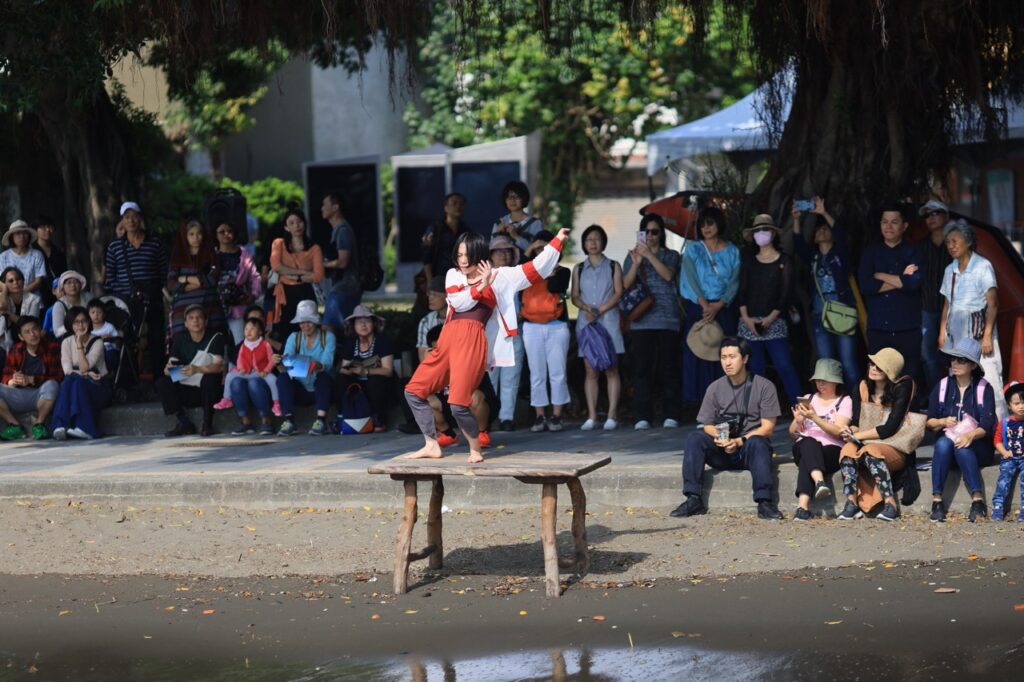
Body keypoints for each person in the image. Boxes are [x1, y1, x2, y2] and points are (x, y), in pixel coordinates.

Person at [404, 227, 569, 464]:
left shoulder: (501, 276)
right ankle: (431, 443)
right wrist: (481, 286)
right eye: (459, 255)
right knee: (413, 391)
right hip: (448, 337)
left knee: (458, 403)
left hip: (472, 340)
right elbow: (458, 302)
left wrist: (557, 241)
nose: (462, 260)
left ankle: (475, 449)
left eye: (466, 255)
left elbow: (534, 270)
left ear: (479, 255)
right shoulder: (453, 275)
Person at [672, 336, 783, 519]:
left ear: (745, 358)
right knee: (695, 438)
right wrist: (720, 438)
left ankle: (764, 502)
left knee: (758, 442)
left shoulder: (764, 386)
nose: (727, 362)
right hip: (723, 449)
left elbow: (768, 428)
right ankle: (693, 499)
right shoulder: (715, 388)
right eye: (723, 357)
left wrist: (739, 441)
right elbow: (707, 424)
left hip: (749, 450)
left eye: (732, 357)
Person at [938, 218, 1006, 420]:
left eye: (955, 241)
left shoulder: (983, 266)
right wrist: (942, 331)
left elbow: (993, 304)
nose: (951, 246)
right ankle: (962, 423)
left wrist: (987, 336)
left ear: (967, 242)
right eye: (948, 242)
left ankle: (997, 430)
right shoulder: (949, 269)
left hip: (978, 331)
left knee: (990, 379)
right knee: (958, 378)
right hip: (956, 332)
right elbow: (947, 304)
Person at [836, 348, 914, 522]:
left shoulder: (902, 388)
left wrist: (860, 435)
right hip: (864, 442)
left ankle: (890, 504)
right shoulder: (862, 386)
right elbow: (856, 420)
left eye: (879, 367)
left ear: (889, 371)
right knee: (847, 449)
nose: (873, 368)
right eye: (872, 363)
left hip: (893, 445)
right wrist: (851, 431)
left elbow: (890, 427)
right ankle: (851, 503)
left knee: (870, 450)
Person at [924, 338, 995, 523]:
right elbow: (929, 421)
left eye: (961, 360)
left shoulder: (983, 388)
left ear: (973, 365)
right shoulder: (942, 386)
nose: (955, 363)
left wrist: (970, 434)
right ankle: (937, 501)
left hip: (977, 449)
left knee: (962, 447)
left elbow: (988, 424)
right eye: (953, 359)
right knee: (942, 443)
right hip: (947, 449)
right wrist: (941, 421)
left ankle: (977, 501)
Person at [791, 198, 859, 387]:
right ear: (813, 238)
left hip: (842, 313)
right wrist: (796, 219)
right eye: (818, 230)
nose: (822, 231)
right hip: (819, 315)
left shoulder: (840, 254)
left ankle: (858, 405)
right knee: (826, 364)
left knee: (848, 362)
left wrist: (823, 212)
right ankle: (832, 405)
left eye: (825, 229)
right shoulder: (813, 257)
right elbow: (798, 245)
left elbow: (842, 235)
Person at [623, 214, 681, 430]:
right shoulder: (633, 256)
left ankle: (671, 414)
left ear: (661, 233)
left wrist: (649, 255)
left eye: (655, 231)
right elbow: (625, 284)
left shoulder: (671, 255)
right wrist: (636, 263)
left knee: (669, 369)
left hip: (668, 319)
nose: (650, 236)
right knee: (641, 370)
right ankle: (642, 416)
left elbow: (668, 275)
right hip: (641, 321)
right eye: (646, 232)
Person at [736, 213, 802, 405]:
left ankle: (800, 411)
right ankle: (760, 414)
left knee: (784, 366)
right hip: (749, 323)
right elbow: (742, 291)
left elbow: (786, 293)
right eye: (757, 231)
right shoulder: (748, 261)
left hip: (775, 321)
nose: (761, 234)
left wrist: (770, 318)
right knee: (756, 369)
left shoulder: (785, 260)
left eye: (765, 230)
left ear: (773, 233)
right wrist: (746, 318)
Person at [678, 207, 740, 405]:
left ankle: (727, 405)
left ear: (718, 224)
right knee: (698, 355)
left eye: (710, 223)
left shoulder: (732, 250)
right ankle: (704, 407)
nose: (706, 228)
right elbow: (689, 277)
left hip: (724, 308)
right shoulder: (693, 249)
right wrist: (705, 304)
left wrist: (719, 304)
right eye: (703, 224)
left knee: (726, 355)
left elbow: (735, 281)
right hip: (699, 308)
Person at [857, 204, 922, 383]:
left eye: (894, 222)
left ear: (905, 226)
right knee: (876, 379)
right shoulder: (870, 253)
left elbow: (913, 283)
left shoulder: (914, 251)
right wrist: (900, 278)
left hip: (908, 327)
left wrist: (879, 276)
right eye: (884, 222)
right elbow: (866, 286)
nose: (888, 226)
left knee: (908, 379)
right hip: (879, 328)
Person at [102, 201, 169, 376]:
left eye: (134, 216)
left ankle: (159, 380)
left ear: (140, 219)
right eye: (126, 217)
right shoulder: (114, 246)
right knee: (128, 341)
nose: (131, 221)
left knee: (157, 340)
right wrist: (127, 292)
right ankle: (130, 381)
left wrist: (153, 288)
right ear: (122, 221)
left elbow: (164, 271)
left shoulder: (155, 243)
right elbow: (110, 278)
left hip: (152, 298)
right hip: (127, 301)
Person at [571, 224, 624, 430]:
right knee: (590, 370)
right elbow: (574, 295)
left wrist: (600, 309)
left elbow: (618, 292)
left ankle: (612, 415)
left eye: (597, 239)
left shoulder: (613, 265)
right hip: (587, 324)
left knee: (612, 369)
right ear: (584, 244)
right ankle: (592, 416)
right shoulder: (579, 268)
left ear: (603, 242)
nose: (593, 243)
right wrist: (585, 307)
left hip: (609, 321)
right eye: (589, 239)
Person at [788, 358, 853, 520]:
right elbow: (791, 433)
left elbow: (839, 431)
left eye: (825, 381)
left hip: (831, 450)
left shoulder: (844, 401)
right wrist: (798, 421)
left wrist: (815, 418)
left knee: (807, 459)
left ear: (835, 382)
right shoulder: (808, 398)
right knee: (808, 443)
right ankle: (819, 482)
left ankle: (802, 508)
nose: (820, 385)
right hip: (806, 445)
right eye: (818, 381)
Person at [521, 231, 571, 432]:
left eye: (546, 247)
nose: (542, 251)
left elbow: (554, 287)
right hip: (531, 326)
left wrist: (548, 267)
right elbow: (518, 269)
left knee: (558, 372)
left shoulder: (562, 271)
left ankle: (557, 415)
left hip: (556, 326)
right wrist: (532, 249)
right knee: (537, 373)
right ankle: (539, 416)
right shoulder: (527, 271)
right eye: (539, 248)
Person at [156, 304, 226, 437]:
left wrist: (197, 369)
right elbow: (169, 369)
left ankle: (207, 424)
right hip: (187, 388)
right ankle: (184, 422)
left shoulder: (216, 337)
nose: (195, 321)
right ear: (186, 323)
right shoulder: (180, 339)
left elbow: (218, 367)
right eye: (191, 318)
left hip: (208, 391)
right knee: (162, 382)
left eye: (199, 317)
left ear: (205, 322)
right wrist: (172, 370)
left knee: (210, 379)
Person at [423, 324, 494, 448]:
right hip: (448, 405)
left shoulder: (469, 356)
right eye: (436, 350)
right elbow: (424, 387)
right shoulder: (434, 361)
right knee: (422, 399)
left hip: (474, 406)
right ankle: (447, 434)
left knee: (475, 396)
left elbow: (481, 393)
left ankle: (481, 433)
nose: (440, 353)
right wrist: (428, 365)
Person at [276, 300, 336, 436]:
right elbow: (287, 362)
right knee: (283, 378)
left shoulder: (328, 337)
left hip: (323, 391)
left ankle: (321, 420)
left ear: (316, 322)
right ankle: (289, 420)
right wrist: (279, 362)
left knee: (324, 377)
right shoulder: (293, 337)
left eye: (309, 321)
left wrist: (316, 365)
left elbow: (327, 363)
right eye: (302, 322)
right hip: (300, 390)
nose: (305, 326)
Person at [51, 306, 111, 440]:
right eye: (76, 322)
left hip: (98, 387)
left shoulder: (97, 342)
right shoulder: (66, 342)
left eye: (84, 321)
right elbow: (67, 370)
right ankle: (59, 426)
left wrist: (79, 344)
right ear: (70, 325)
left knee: (76, 382)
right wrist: (86, 374)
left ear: (89, 323)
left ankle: (86, 428)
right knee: (68, 382)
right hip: (77, 384)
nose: (80, 325)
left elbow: (85, 367)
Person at [0, 316, 61, 440]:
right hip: (18, 394)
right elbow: (6, 374)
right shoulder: (16, 349)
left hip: (40, 395)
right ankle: (15, 425)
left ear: (40, 330)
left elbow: (58, 376)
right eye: (27, 332)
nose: (32, 334)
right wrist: (12, 380)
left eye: (34, 329)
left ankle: (39, 424)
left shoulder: (52, 347)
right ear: (21, 337)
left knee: (52, 384)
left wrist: (32, 380)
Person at [486, 235, 524, 430]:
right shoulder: (483, 276)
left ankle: (506, 417)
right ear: (491, 255)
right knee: (490, 378)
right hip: (491, 334)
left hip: (513, 333)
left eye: (507, 250)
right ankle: (489, 416)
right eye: (499, 250)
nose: (503, 254)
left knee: (511, 377)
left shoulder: (517, 274)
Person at [337, 305, 394, 432]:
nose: (363, 325)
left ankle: (378, 418)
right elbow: (343, 368)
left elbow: (388, 370)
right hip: (357, 383)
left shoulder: (383, 342)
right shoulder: (350, 344)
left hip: (379, 385)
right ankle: (343, 416)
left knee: (375, 380)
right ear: (353, 325)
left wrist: (366, 371)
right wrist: (349, 369)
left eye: (367, 321)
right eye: (359, 322)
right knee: (341, 379)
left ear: (373, 323)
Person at [270, 209, 324, 343]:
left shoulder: (314, 248)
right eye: (292, 223)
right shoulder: (279, 244)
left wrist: (296, 277)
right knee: (285, 332)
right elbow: (276, 266)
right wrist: (303, 273)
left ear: (304, 224)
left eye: (299, 222)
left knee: (307, 331)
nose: (296, 225)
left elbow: (318, 276)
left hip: (305, 293)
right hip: (284, 294)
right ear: (286, 227)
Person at [167, 220, 225, 341]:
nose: (196, 238)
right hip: (183, 311)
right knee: (185, 350)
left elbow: (213, 279)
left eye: (199, 233)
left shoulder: (210, 255)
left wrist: (185, 279)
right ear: (185, 236)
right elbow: (172, 283)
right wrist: (201, 283)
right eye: (191, 234)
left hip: (210, 308)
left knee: (213, 348)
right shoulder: (178, 257)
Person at [917, 199, 953, 391]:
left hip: (954, 310)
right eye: (926, 215)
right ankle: (935, 396)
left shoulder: (955, 245)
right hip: (927, 308)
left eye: (935, 213)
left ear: (946, 216)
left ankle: (955, 398)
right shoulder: (920, 247)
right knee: (927, 356)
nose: (930, 218)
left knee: (956, 356)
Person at [214, 220, 261, 345]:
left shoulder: (244, 255)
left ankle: (239, 365)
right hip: (216, 308)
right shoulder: (212, 255)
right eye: (222, 232)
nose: (226, 234)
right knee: (218, 346)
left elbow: (255, 277)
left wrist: (253, 295)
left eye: (229, 231)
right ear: (216, 234)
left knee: (241, 343)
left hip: (239, 307)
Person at [228, 316, 277, 436]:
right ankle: (245, 422)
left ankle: (266, 421)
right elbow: (238, 362)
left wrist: (265, 371)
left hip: (263, 378)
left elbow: (272, 361)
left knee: (254, 383)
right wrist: (241, 369)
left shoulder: (266, 344)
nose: (249, 331)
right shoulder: (242, 346)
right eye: (246, 328)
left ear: (260, 331)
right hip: (247, 376)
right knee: (235, 382)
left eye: (252, 328)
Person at [321, 191, 363, 330]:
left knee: (328, 327)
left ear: (335, 207)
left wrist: (322, 264)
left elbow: (343, 261)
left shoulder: (343, 230)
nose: (322, 208)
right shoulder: (337, 230)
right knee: (344, 330)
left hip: (344, 288)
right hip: (343, 288)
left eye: (324, 205)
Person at [991, 382, 1024, 521]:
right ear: (1009, 405)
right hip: (1009, 457)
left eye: (1023, 403)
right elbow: (997, 440)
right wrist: (1003, 452)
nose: (1021, 406)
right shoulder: (1004, 423)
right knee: (1003, 480)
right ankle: (998, 506)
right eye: (1017, 403)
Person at [421, 193, 469, 282]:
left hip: (461, 278)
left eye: (461, 204)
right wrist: (430, 281)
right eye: (454, 203)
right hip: (439, 277)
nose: (458, 206)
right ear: (446, 208)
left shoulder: (466, 231)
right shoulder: (435, 229)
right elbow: (427, 256)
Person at [492, 180, 544, 252]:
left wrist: (516, 236)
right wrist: (497, 235)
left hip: (528, 263)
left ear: (524, 199)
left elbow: (538, 252)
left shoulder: (535, 223)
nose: (512, 200)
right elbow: (492, 251)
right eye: (509, 197)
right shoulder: (499, 223)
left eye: (517, 197)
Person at [0, 267, 42, 351]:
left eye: (18, 279)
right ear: (4, 284)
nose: (15, 282)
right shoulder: (2, 297)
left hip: (28, 339)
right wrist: (4, 289)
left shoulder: (34, 299)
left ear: (23, 281)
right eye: (10, 281)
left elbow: (28, 324)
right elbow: (1, 306)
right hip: (3, 341)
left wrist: (7, 313)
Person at [0, 220, 46, 294]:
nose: (22, 236)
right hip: (9, 299)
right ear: (12, 237)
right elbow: (1, 281)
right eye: (18, 233)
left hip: (33, 300)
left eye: (25, 233)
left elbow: (38, 281)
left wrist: (22, 293)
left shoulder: (37, 255)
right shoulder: (3, 257)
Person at [33, 216, 67, 307]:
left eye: (50, 227)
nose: (47, 230)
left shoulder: (58, 252)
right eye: (43, 227)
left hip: (57, 293)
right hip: (37, 293)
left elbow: (64, 273)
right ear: (36, 230)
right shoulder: (31, 251)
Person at [50, 270, 94, 339]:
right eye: (69, 282)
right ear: (63, 287)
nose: (73, 285)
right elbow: (57, 332)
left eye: (76, 282)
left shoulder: (89, 298)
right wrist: (75, 327)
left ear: (80, 285)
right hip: (70, 339)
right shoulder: (59, 305)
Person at [416, 276, 447, 363]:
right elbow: (423, 359)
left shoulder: (460, 320)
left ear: (448, 296)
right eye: (429, 294)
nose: (430, 298)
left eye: (435, 294)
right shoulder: (426, 322)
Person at [88, 298, 121, 379]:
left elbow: (118, 340)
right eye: (93, 312)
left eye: (99, 312)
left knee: (110, 353)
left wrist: (111, 338)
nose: (96, 315)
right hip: (94, 353)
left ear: (104, 314)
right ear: (88, 314)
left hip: (108, 351)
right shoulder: (88, 329)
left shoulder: (109, 327)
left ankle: (107, 373)